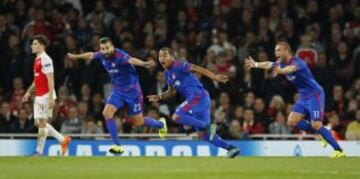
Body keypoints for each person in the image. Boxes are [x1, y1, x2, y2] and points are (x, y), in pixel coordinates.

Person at [67, 37, 167, 155]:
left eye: (107, 48)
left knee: (138, 122)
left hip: (133, 92)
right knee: (107, 113)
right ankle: (117, 145)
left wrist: (144, 64)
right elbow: (91, 55)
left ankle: (161, 124)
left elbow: (131, 60)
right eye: (102, 49)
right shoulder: (102, 55)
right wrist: (77, 57)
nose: (104, 51)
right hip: (118, 91)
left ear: (112, 47)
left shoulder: (120, 55)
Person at [245, 41, 345, 158]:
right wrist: (256, 64)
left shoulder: (299, 62)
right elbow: (269, 64)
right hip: (303, 97)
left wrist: (281, 71)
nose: (275, 52)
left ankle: (338, 150)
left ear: (286, 51)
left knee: (316, 124)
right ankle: (323, 132)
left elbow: (291, 69)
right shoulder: (280, 63)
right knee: (292, 121)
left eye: (278, 50)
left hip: (314, 94)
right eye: (275, 50)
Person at [148, 47, 240, 158]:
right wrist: (159, 97)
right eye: (160, 56)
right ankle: (232, 148)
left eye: (164, 55)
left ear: (172, 57)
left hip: (198, 96)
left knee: (176, 117)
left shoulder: (179, 65)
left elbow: (195, 67)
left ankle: (208, 126)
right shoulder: (167, 73)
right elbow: (171, 91)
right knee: (205, 135)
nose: (161, 58)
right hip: (202, 98)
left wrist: (214, 76)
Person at [21, 34, 71, 156]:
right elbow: (36, 79)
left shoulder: (46, 59)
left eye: (35, 43)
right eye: (32, 43)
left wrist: (50, 98)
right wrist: (28, 92)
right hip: (39, 94)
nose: (32, 46)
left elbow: (50, 79)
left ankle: (39, 151)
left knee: (42, 123)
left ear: (42, 46)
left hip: (45, 95)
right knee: (38, 123)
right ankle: (63, 140)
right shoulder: (37, 59)